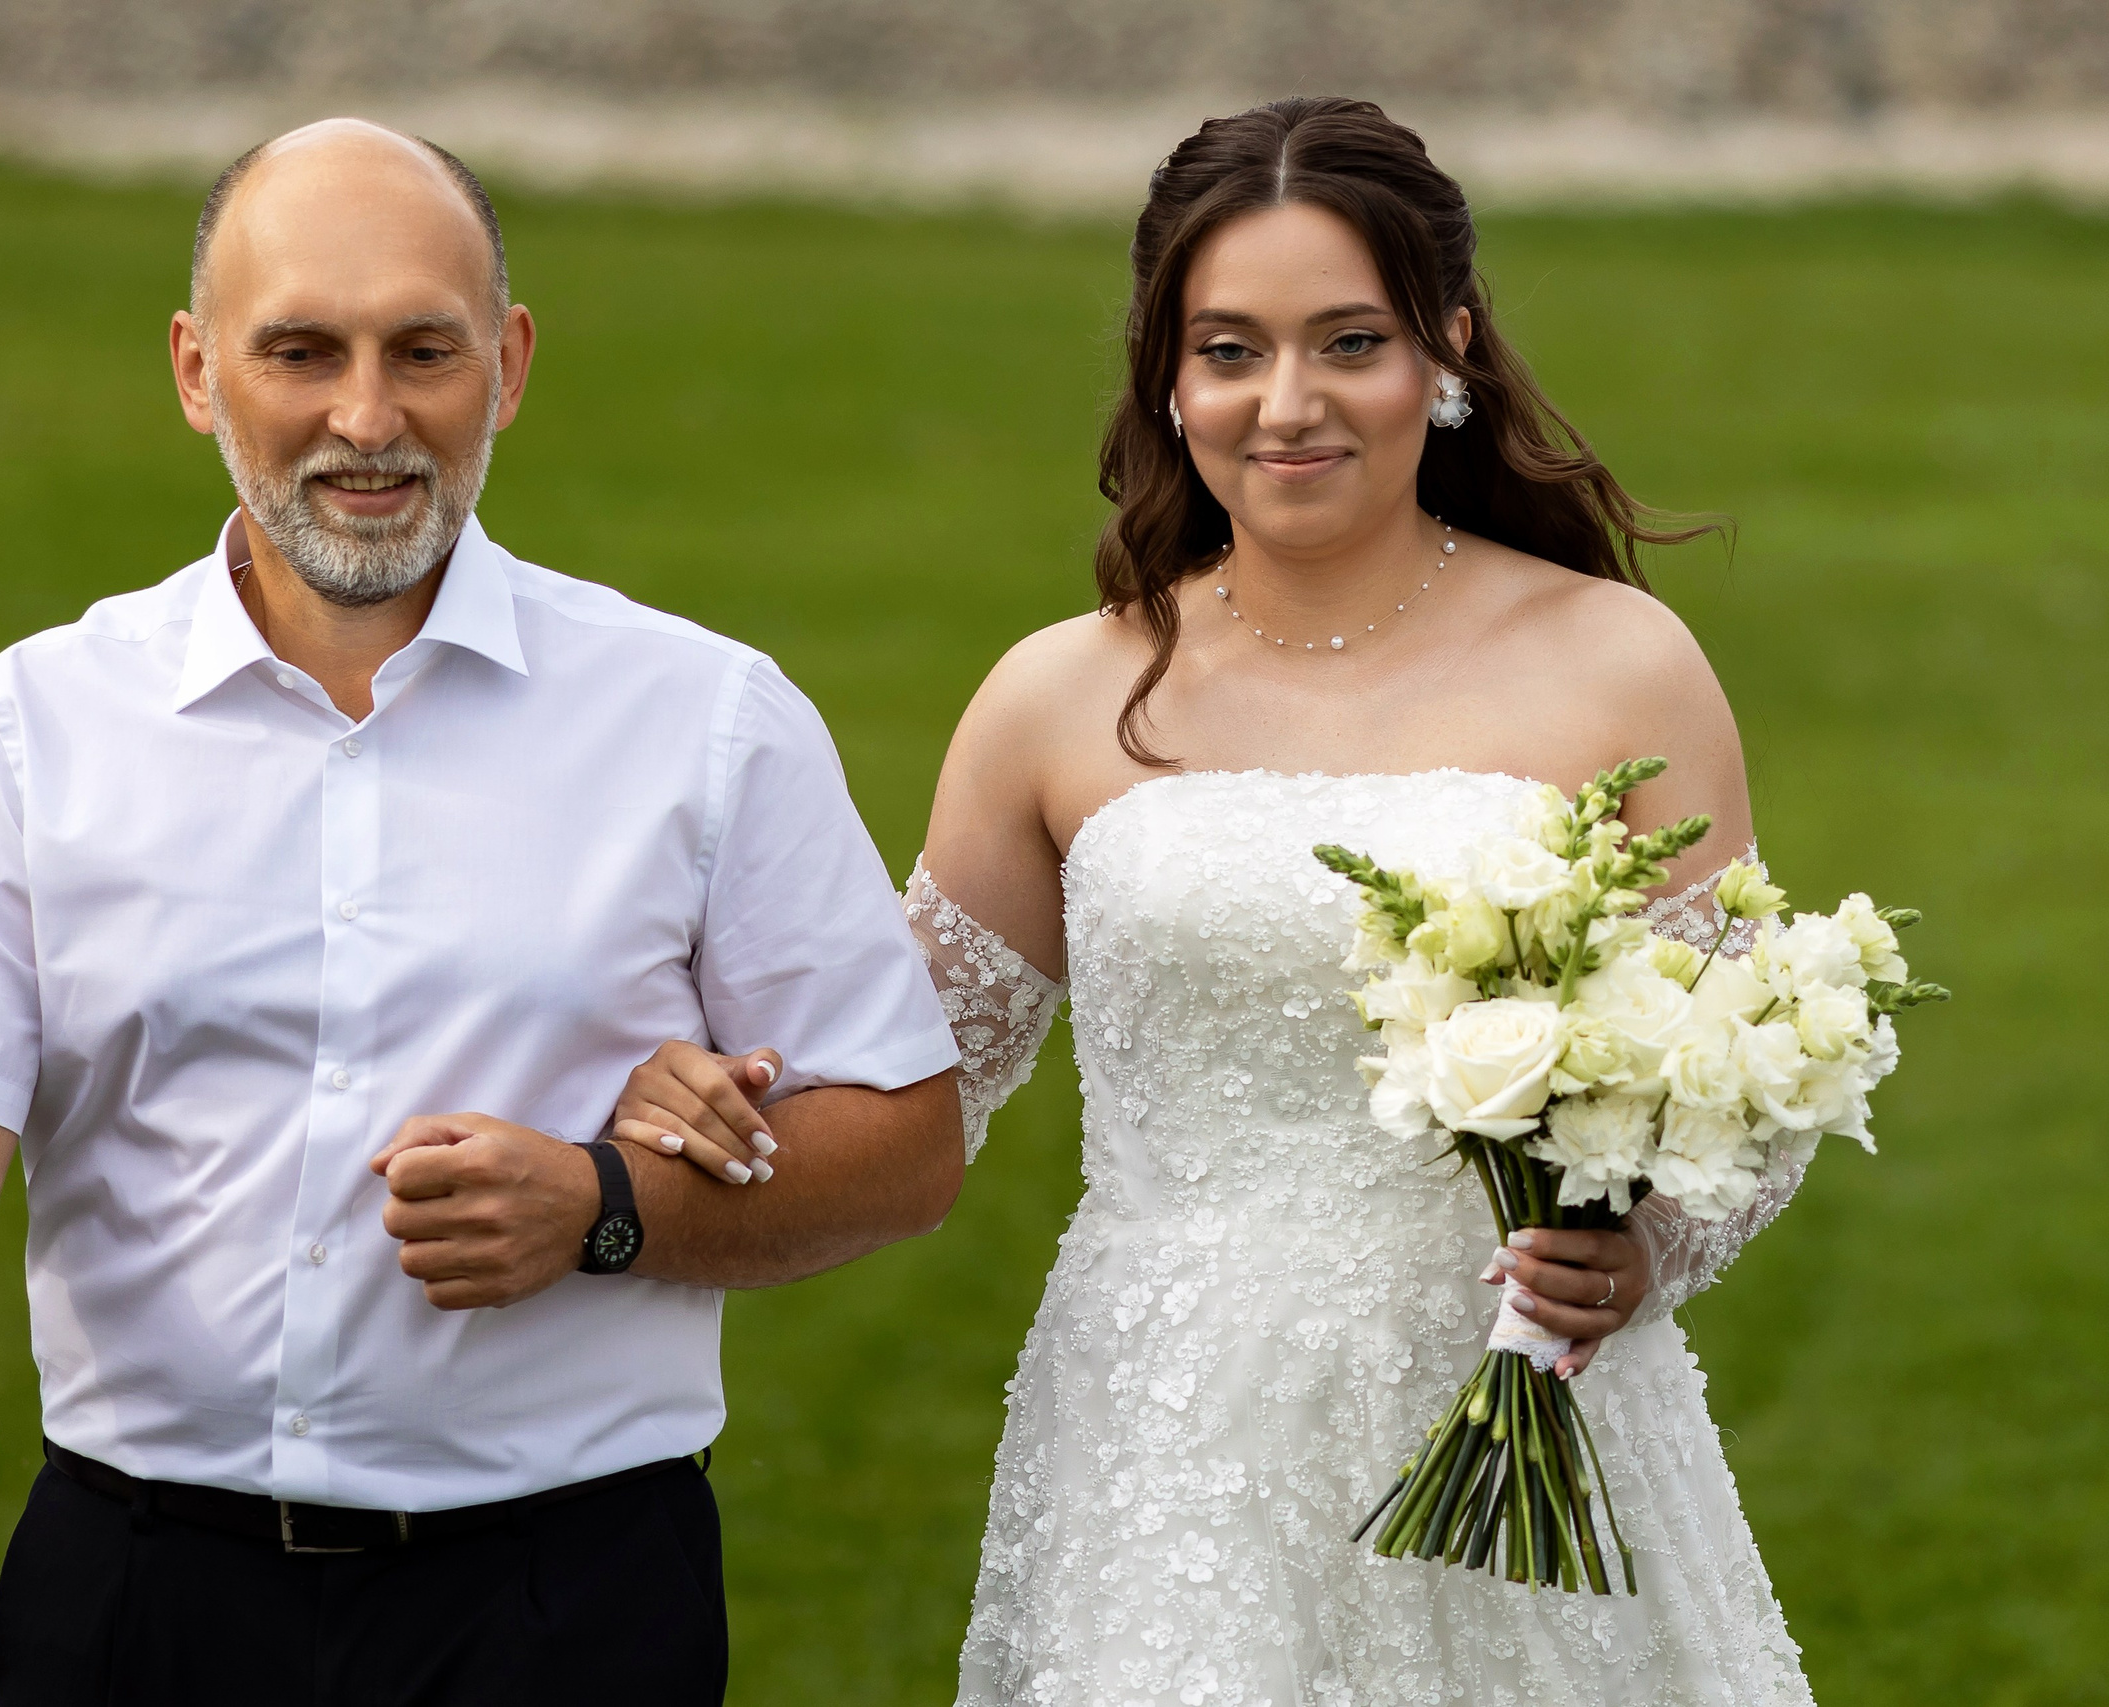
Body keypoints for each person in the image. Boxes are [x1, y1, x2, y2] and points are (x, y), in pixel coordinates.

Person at [641, 98, 1813, 1704]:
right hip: (1172, 1443)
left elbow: (1746, 1065)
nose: (1288, 404)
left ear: (1445, 349)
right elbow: (906, 1072)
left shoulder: (1616, 661)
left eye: (1348, 342)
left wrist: (1645, 1245)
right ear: (1168, 376)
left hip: (1524, 1398)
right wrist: (699, 1099)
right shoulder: (1059, 698)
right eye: (1231, 350)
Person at [0, 118, 962, 1706]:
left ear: (511, 362)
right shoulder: (26, 727)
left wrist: (606, 1206)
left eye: (424, 350)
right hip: (136, 1605)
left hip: (564, 1606)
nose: (367, 419)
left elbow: (906, 1145)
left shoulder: (707, 718)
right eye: (301, 352)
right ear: (197, 371)